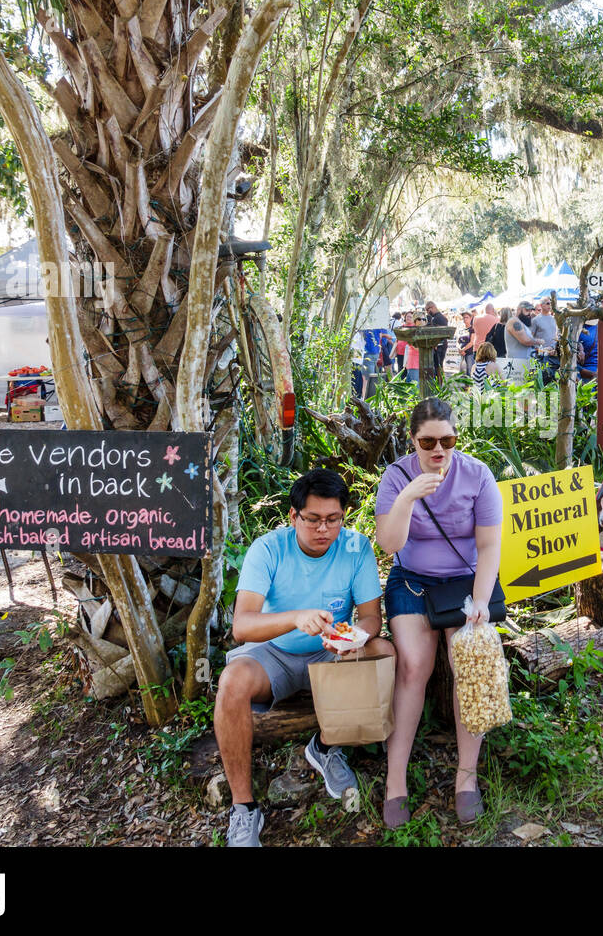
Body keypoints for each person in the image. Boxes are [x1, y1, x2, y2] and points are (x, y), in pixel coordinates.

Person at [216, 469, 394, 847]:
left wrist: (350, 639)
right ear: (294, 516)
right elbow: (243, 626)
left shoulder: (355, 547)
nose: (323, 529)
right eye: (313, 519)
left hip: (330, 654)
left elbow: (371, 619)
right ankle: (244, 808)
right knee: (231, 682)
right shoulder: (269, 548)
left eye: (333, 519)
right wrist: (296, 618)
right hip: (274, 654)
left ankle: (327, 748)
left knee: (383, 650)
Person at [375, 398, 503, 829]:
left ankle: (466, 778)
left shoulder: (477, 475)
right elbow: (390, 545)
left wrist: (482, 600)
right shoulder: (396, 477)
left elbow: (488, 547)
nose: (438, 450)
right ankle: (396, 781)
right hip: (411, 580)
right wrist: (411, 493)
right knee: (413, 665)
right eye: (427, 441)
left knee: (470, 660)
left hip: (464, 584)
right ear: (412, 441)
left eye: (447, 440)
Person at [504, 301, 541, 377]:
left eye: (530, 311)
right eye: (527, 310)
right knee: (519, 388)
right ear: (519, 310)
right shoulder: (514, 321)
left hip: (528, 364)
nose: (529, 313)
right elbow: (525, 341)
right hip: (517, 366)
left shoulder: (522, 323)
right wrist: (539, 341)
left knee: (531, 387)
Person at [425, 302, 448, 377]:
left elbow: (441, 333)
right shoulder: (435, 317)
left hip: (440, 345)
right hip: (437, 345)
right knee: (437, 366)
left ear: (432, 307)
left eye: (427, 310)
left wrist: (436, 343)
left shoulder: (440, 317)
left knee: (439, 366)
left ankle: (440, 385)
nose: (427, 312)